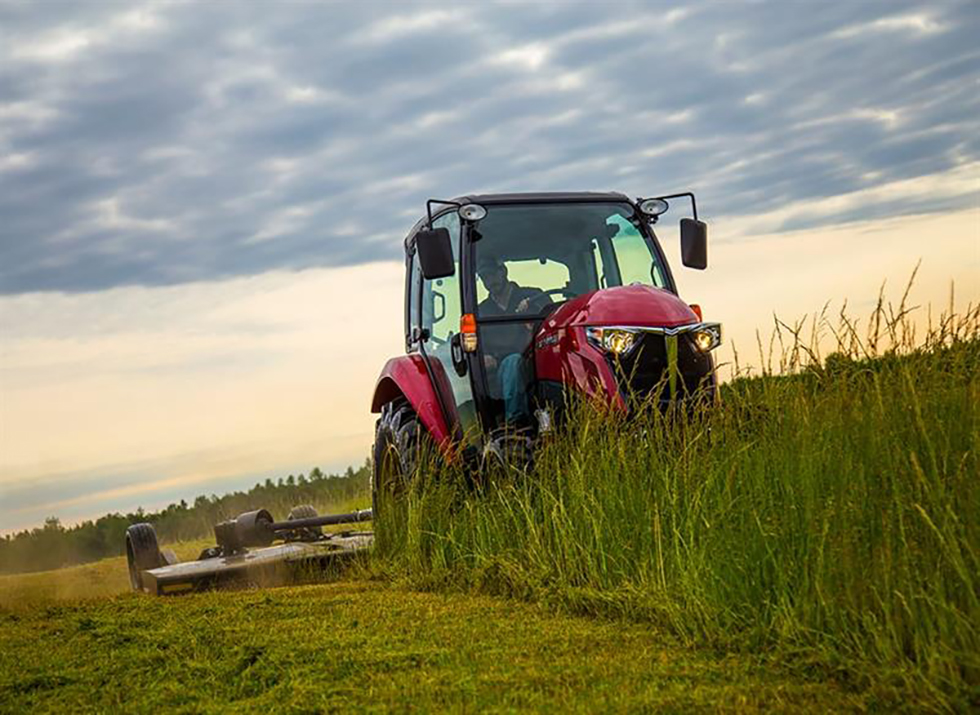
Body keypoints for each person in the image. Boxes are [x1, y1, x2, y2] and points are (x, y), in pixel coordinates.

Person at [475, 256, 551, 426]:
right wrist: (485, 357)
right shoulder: (481, 311)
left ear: (503, 271)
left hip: (536, 359)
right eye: (484, 277)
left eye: (492, 274)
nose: (489, 281)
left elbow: (551, 321)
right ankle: (516, 424)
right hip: (504, 368)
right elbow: (476, 347)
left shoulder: (534, 296)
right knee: (512, 362)